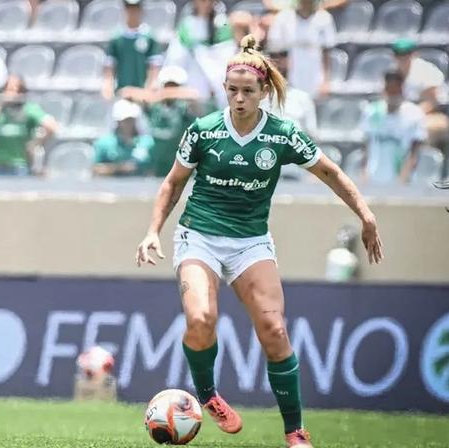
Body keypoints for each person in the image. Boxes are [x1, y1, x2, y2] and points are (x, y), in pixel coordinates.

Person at [135, 35, 383, 448]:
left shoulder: (282, 134)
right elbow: (172, 184)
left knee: (274, 330)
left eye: (247, 91)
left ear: (264, 91)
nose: (238, 98)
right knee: (200, 320)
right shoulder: (204, 130)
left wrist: (366, 214)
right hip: (199, 235)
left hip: (250, 242)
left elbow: (331, 173)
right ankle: (208, 395)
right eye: (232, 90)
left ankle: (295, 432)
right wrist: (151, 232)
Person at [0, 74, 56, 177]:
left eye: (14, 90)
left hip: (20, 168)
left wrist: (34, 143)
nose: (9, 94)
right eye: (7, 89)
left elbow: (51, 126)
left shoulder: (28, 109)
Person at [360, 71, 426, 185]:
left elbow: (414, 152)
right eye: (389, 90)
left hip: (402, 181)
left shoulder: (415, 114)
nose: (392, 95)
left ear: (402, 89)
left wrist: (403, 180)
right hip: (374, 179)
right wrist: (365, 173)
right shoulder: (371, 111)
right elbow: (366, 146)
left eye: (396, 90)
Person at [266, 0, 336, 99]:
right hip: (291, 74)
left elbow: (327, 53)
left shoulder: (325, 18)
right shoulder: (283, 17)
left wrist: (325, 82)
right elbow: (275, 52)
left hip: (315, 72)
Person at [101, 0, 162, 100]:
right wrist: (108, 87)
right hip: (121, 93)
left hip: (142, 95)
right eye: (129, 8)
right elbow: (109, 67)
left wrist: (149, 91)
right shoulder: (116, 37)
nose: (132, 12)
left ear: (141, 9)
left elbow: (154, 67)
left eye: (136, 8)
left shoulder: (149, 36)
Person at [92, 98, 154, 177]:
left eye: (131, 120)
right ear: (117, 122)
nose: (129, 124)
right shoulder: (104, 143)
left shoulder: (147, 142)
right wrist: (119, 168)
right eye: (125, 120)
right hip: (111, 187)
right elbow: (95, 169)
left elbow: (153, 169)